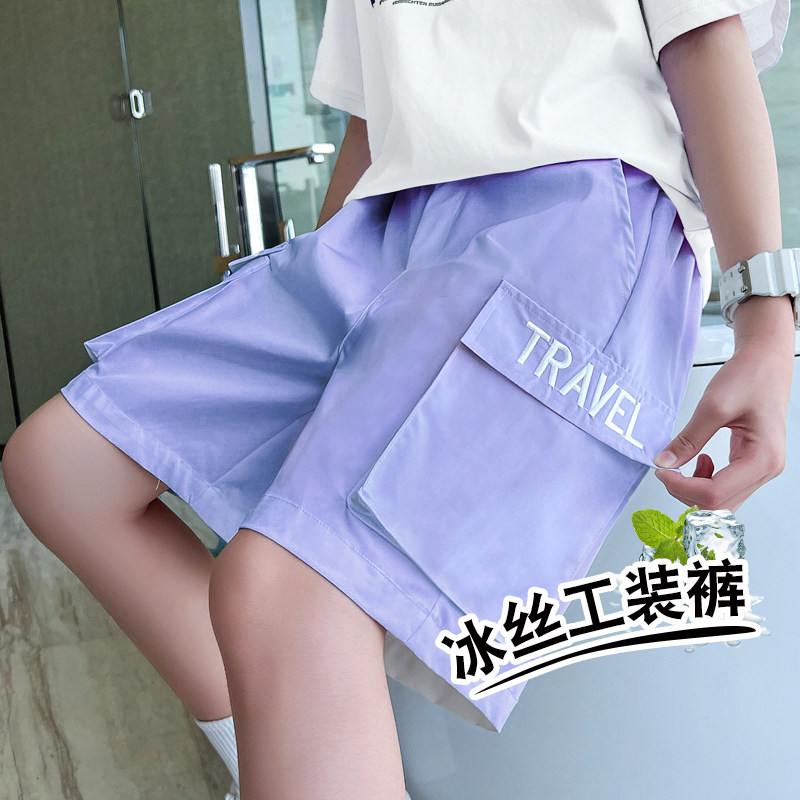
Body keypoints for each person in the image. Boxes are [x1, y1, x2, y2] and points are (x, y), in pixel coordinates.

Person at [1, 1, 795, 799]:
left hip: (573, 208)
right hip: (387, 223)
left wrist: (764, 319)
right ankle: (295, 762)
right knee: (62, 470)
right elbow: (375, 116)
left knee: (282, 593)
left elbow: (703, 40)